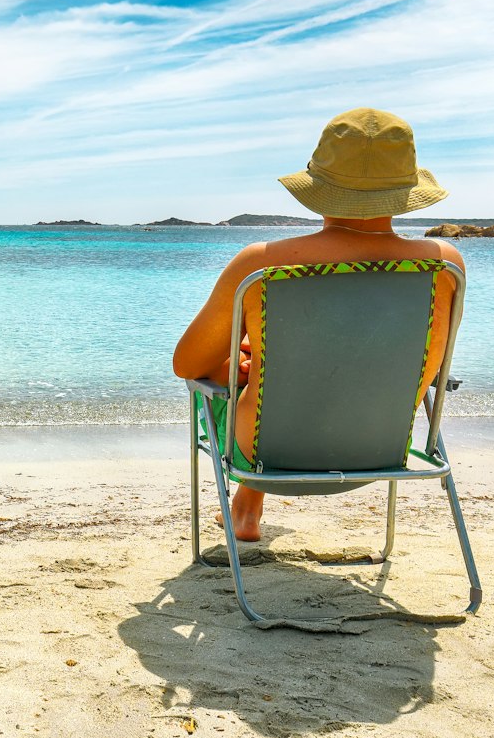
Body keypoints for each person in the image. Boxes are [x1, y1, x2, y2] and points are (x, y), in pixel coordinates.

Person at [172, 107, 464, 541]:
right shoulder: (445, 265)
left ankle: (244, 508)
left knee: (222, 376)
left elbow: (186, 364)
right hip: (382, 450)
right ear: (406, 188)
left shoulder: (262, 263)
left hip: (266, 454)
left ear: (319, 188)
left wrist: (241, 360)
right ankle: (246, 507)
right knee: (315, 371)